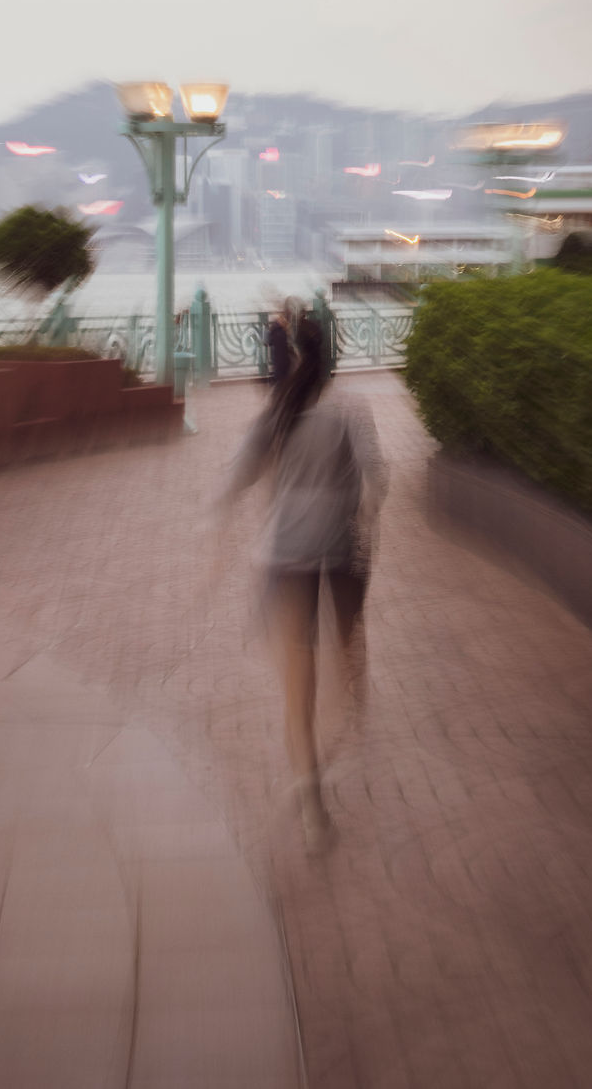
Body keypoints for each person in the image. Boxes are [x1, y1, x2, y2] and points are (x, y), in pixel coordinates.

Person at [217, 325, 387, 848]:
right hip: (338, 554)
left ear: (290, 361)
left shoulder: (276, 415)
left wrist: (215, 527)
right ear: (330, 362)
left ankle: (313, 806)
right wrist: (361, 509)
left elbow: (234, 481)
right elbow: (377, 476)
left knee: (298, 691)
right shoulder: (349, 411)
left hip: (283, 560)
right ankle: (342, 730)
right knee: (348, 664)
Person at [266, 310, 292, 385]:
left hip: (276, 354)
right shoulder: (283, 330)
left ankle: (277, 380)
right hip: (282, 354)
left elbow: (269, 342)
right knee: (282, 367)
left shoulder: (273, 328)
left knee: (278, 367)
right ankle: (279, 381)